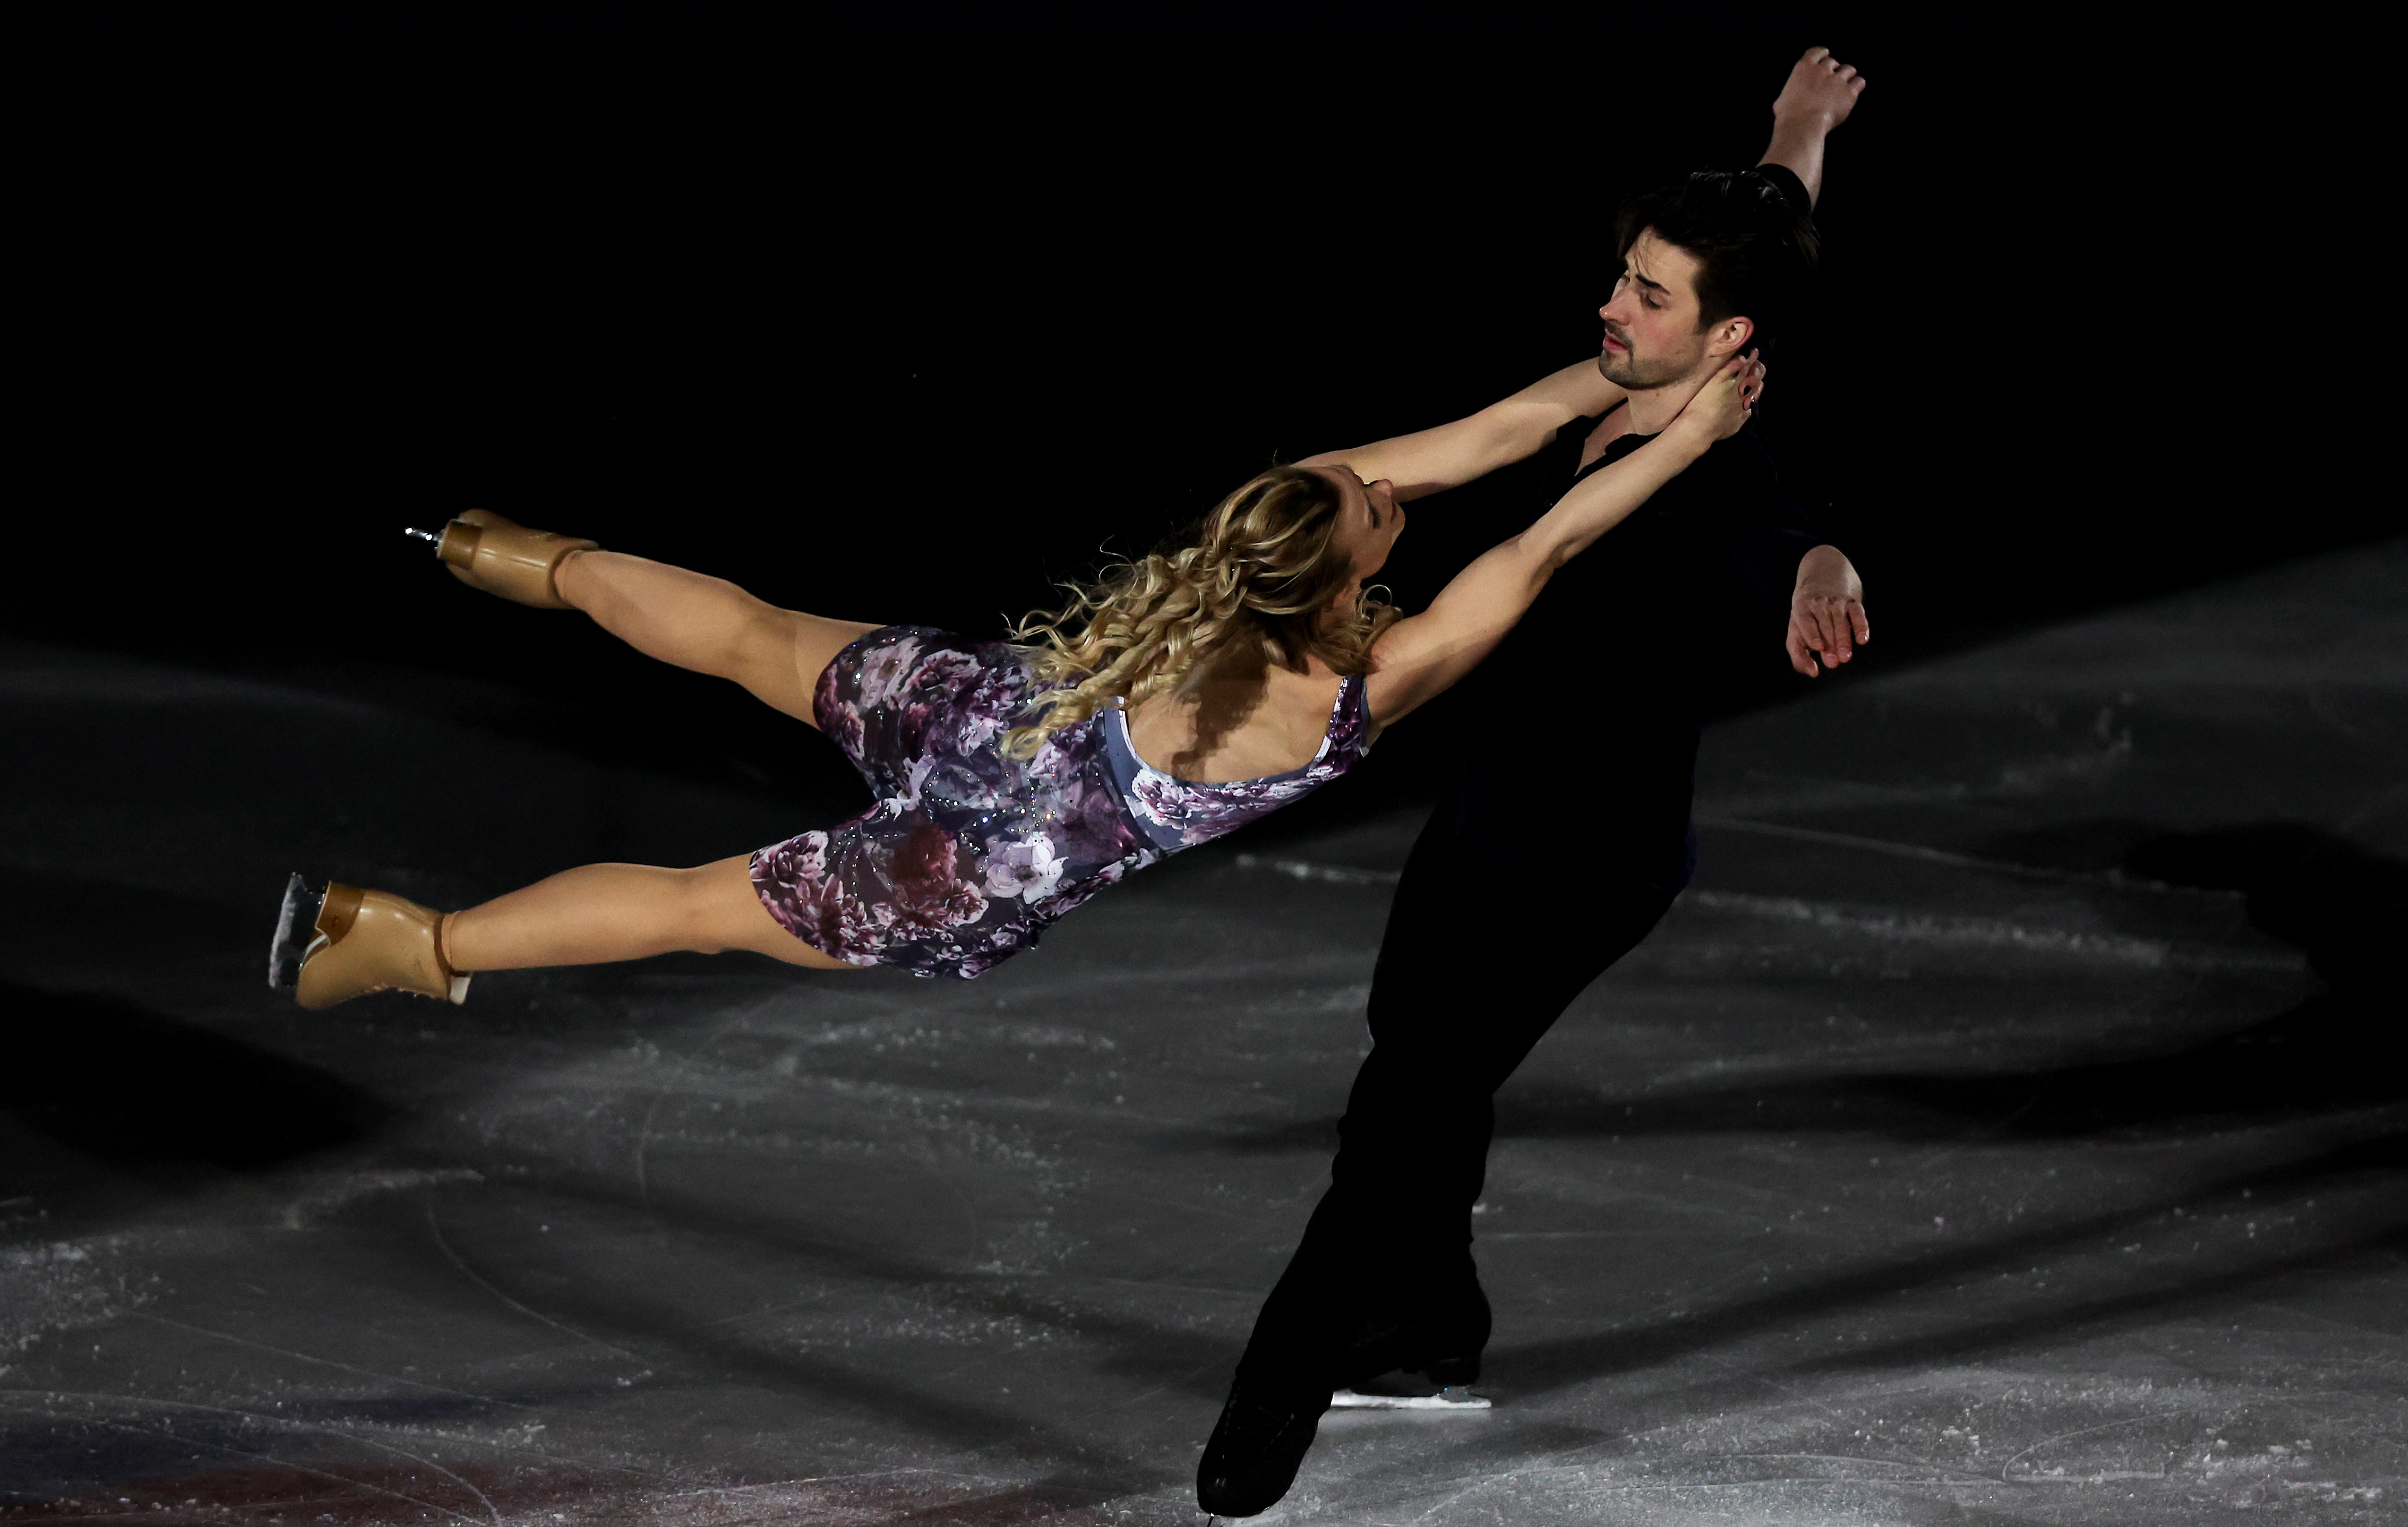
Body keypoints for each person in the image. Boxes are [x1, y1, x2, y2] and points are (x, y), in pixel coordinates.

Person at [1197, 46, 1872, 1527]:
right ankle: (1427, 1326)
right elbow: (1773, 215)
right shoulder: (1649, 362)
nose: (1611, 306)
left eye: (1644, 295)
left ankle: (1286, 1375)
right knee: (1411, 1044)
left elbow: (1781, 537)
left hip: (1592, 853)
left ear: (1727, 339)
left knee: (1411, 1089)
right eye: (1623, 277)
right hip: (1498, 803)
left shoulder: (1723, 465)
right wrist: (1796, 128)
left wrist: (1821, 565)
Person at [269, 352, 1765, 1007]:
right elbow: (1549, 530)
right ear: (1339, 574)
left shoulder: (1269, 518)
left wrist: (1629, 379)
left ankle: (507, 552)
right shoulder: (1364, 684)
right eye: (1384, 509)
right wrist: (1685, 437)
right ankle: (409, 936)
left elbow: (1502, 431)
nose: (1394, 497)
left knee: (746, 631)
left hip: (1001, 711)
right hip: (979, 856)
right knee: (689, 908)